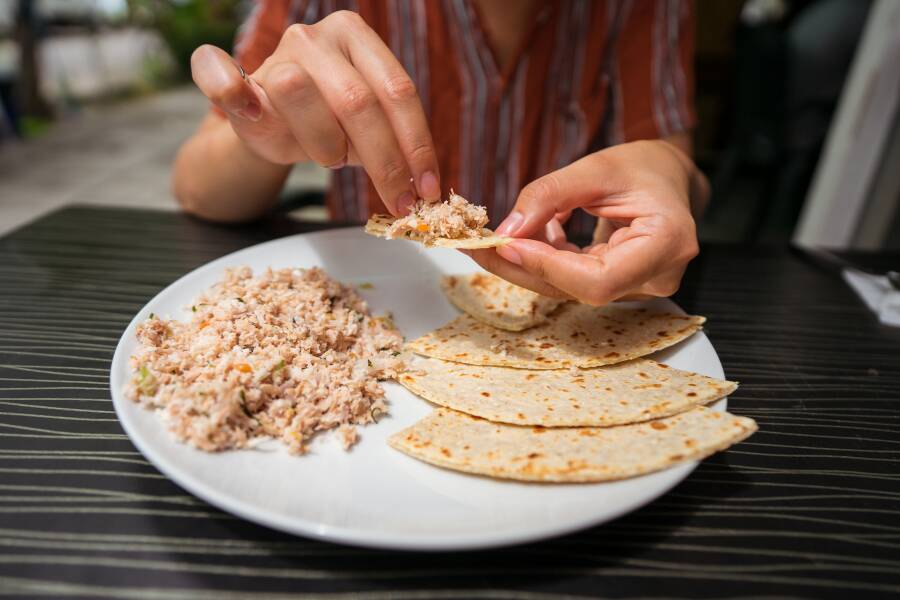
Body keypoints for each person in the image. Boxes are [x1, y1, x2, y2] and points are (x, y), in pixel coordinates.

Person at [174, 0, 708, 306]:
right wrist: (261, 132)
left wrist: (672, 171)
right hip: (372, 300)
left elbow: (676, 178)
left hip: (566, 311)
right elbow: (199, 190)